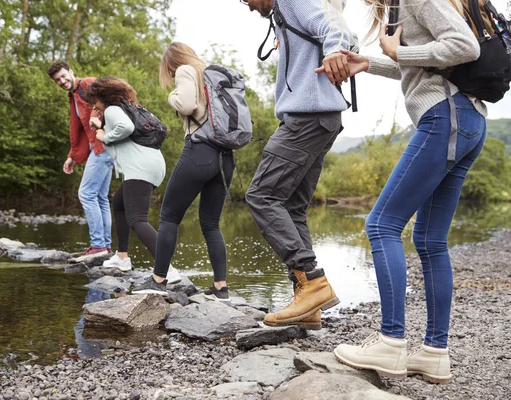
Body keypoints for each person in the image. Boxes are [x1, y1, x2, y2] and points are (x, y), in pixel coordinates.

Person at [325, 0, 487, 384]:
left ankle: (391, 342)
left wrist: (399, 50)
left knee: (381, 224)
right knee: (430, 240)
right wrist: (368, 62)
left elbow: (465, 46)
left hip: (445, 115)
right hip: (466, 118)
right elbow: (425, 61)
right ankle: (434, 353)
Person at [242, 0, 352, 329]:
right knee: (292, 208)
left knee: (262, 196)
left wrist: (333, 49)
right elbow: (344, 31)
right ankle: (308, 302)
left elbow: (338, 29)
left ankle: (314, 282)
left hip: (305, 119)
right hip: (321, 118)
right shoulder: (286, 12)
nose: (247, 6)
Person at [133, 42, 235, 300]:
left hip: (200, 151)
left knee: (168, 216)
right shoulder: (212, 73)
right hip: (225, 157)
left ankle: (158, 280)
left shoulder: (186, 71)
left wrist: (171, 97)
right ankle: (220, 287)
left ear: (171, 63)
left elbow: (186, 104)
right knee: (211, 223)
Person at [84, 77, 181, 283]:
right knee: (119, 205)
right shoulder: (123, 108)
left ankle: (167, 269)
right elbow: (124, 136)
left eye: (95, 100)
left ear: (104, 97)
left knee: (137, 219)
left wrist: (104, 137)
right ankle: (121, 257)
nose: (94, 105)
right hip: (152, 165)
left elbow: (125, 128)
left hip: (141, 168)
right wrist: (102, 126)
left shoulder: (112, 109)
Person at [47, 60, 114, 262]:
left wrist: (95, 115)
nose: (61, 81)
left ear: (71, 71)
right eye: (57, 80)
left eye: (63, 76)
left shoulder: (87, 84)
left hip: (103, 146)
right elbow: (78, 130)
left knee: (86, 193)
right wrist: (71, 156)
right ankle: (105, 247)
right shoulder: (73, 96)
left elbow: (105, 99)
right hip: (100, 148)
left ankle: (97, 246)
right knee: (100, 197)